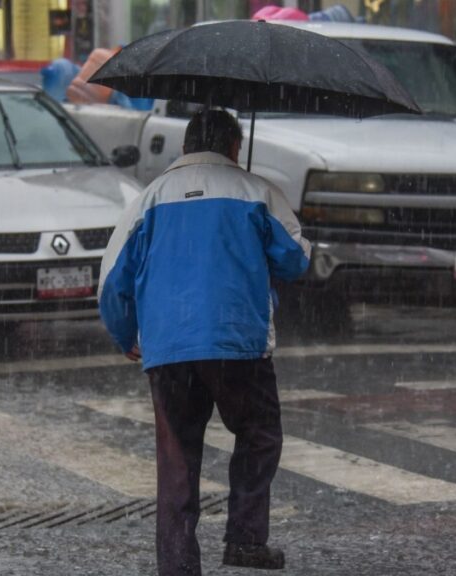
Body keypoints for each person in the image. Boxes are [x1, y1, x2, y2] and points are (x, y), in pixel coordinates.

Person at [98, 110, 310, 575]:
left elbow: (113, 280)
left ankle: (177, 565)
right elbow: (295, 261)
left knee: (177, 459)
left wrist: (124, 332)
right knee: (258, 435)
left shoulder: (147, 200)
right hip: (236, 342)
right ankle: (245, 541)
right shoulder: (256, 193)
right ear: (234, 147)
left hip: (169, 349)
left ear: (185, 148)